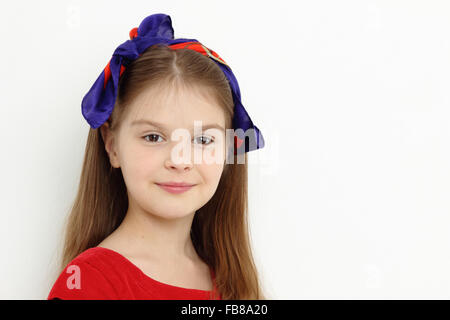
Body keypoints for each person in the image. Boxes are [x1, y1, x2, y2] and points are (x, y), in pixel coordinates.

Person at [47, 13, 265, 300]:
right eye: (153, 137)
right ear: (112, 146)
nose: (180, 160)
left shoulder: (229, 279)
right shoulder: (89, 282)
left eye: (202, 139)